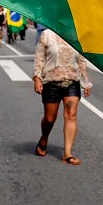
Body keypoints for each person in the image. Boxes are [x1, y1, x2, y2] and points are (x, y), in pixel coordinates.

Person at [32, 29, 92, 165]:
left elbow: (81, 60)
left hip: (72, 81)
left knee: (71, 115)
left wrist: (86, 82)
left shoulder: (76, 34)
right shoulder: (47, 34)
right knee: (50, 118)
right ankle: (44, 138)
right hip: (51, 82)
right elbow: (39, 58)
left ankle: (67, 154)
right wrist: (37, 78)